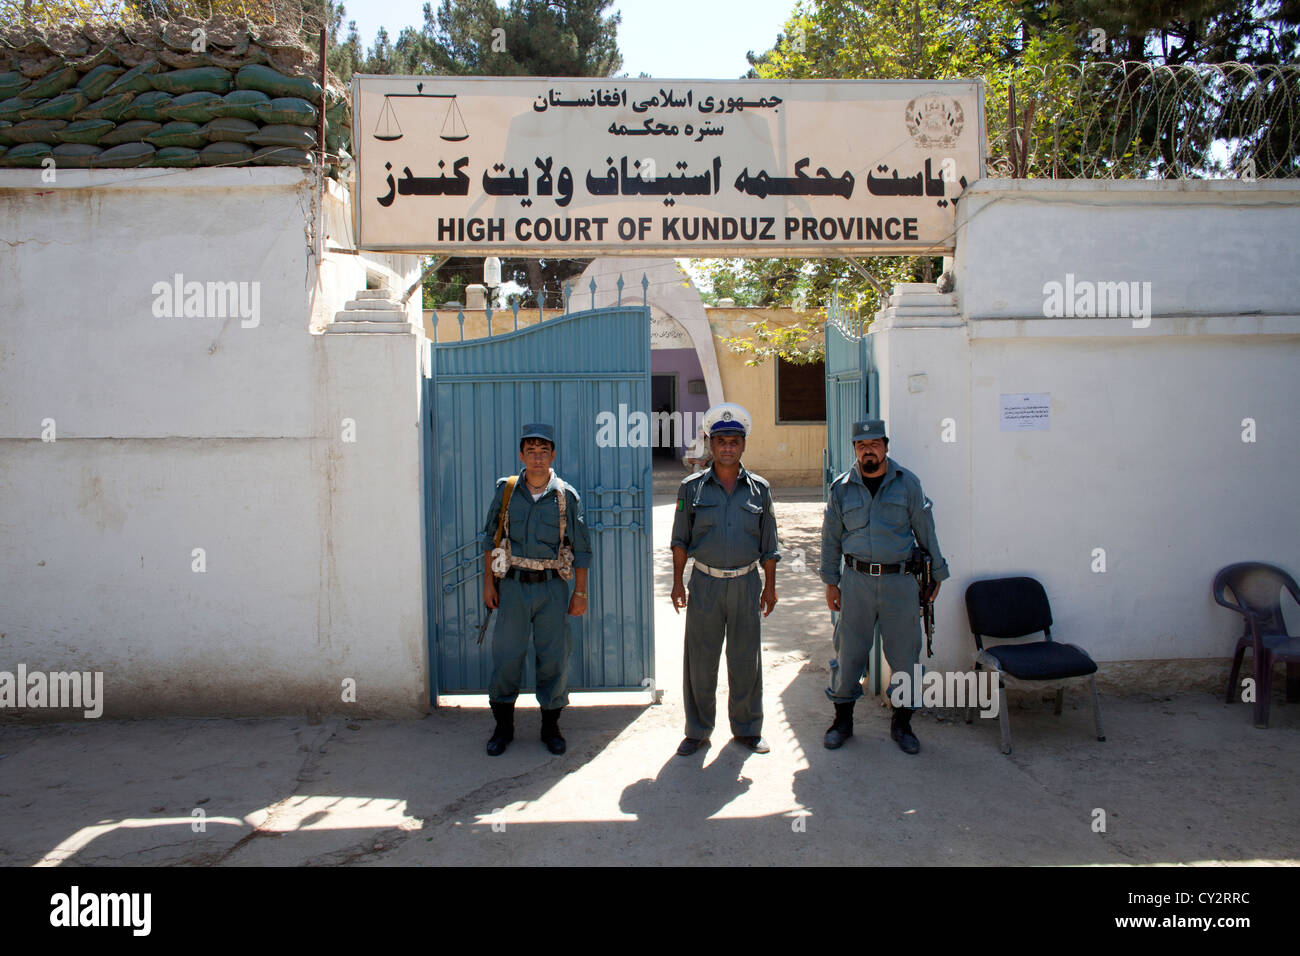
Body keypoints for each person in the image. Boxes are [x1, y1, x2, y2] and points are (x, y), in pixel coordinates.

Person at [820, 419, 948, 754]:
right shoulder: (841, 488)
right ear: (855, 451)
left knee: (905, 658)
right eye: (861, 446)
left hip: (900, 583)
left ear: (886, 446)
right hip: (856, 582)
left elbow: (926, 530)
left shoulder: (908, 485)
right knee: (849, 655)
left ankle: (902, 724)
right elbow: (830, 539)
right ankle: (842, 721)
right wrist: (830, 582)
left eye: (874, 444)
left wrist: (937, 573)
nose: (868, 450)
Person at [670, 402, 779, 757]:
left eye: (734, 441)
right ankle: (697, 730)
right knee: (700, 662)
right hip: (705, 583)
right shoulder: (691, 490)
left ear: (743, 444)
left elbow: (769, 545)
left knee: (746, 659)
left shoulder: (760, 490)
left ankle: (747, 728)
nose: (727, 447)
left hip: (746, 583)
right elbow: (679, 540)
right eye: (721, 441)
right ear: (710, 444)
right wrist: (677, 582)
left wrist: (770, 586)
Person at [479, 423, 591, 757]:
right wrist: (488, 583)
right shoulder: (507, 491)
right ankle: (503, 727)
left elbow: (582, 548)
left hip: (552, 589)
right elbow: (490, 539)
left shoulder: (565, 496)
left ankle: (550, 726)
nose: (538, 459)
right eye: (531, 452)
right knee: (507, 657)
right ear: (521, 455)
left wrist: (580, 592)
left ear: (553, 455)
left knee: (554, 658)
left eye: (544, 452)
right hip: (512, 586)